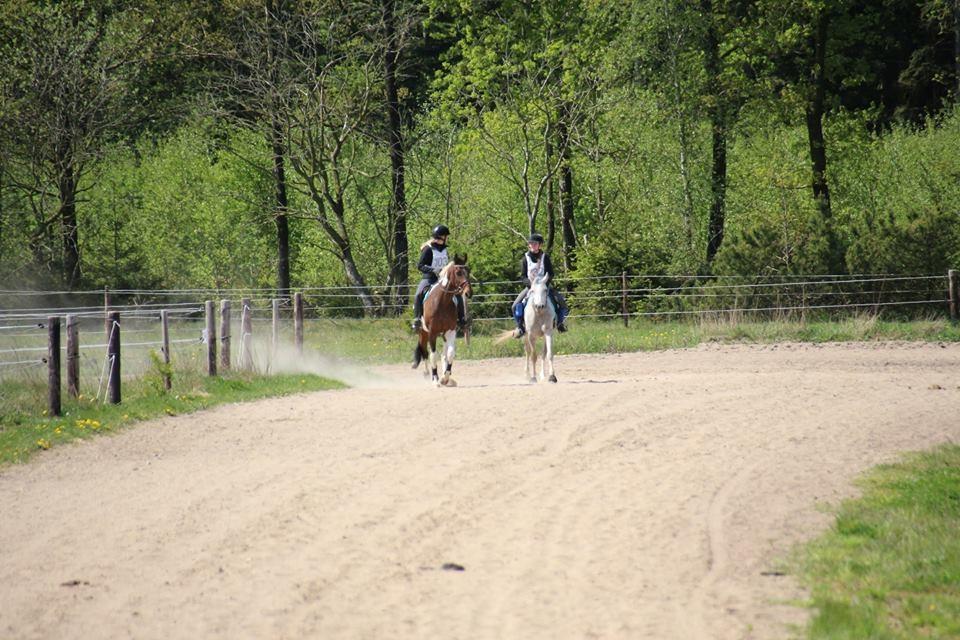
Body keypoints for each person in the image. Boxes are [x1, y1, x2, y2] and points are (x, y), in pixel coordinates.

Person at [511, 232, 568, 337]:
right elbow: (523, 276)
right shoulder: (525, 259)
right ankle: (520, 327)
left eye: (535, 243)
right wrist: (530, 285)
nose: (532, 245)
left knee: (562, 303)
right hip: (531, 288)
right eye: (531, 243)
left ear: (540, 245)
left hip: (545, 287)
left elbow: (551, 273)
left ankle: (560, 323)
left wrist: (544, 284)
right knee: (515, 306)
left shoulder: (545, 258)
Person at [412, 224, 467, 332]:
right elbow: (420, 266)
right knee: (418, 294)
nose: (447, 239)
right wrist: (433, 270)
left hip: (443, 278)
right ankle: (417, 319)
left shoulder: (445, 249)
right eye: (446, 236)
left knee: (458, 295)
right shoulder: (428, 249)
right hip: (430, 278)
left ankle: (461, 319)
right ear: (441, 237)